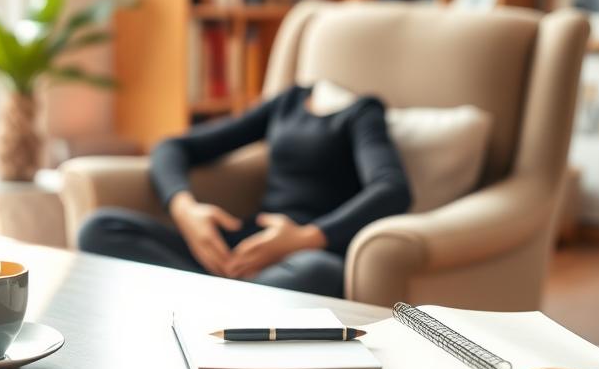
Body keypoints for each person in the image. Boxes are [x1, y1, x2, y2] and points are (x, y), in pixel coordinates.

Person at [77, 83, 412, 298]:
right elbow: (172, 147)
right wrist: (186, 211)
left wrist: (305, 238)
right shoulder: (289, 102)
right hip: (234, 254)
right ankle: (227, 309)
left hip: (299, 258)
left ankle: (209, 308)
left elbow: (391, 189)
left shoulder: (363, 112)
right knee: (99, 228)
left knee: (321, 272)